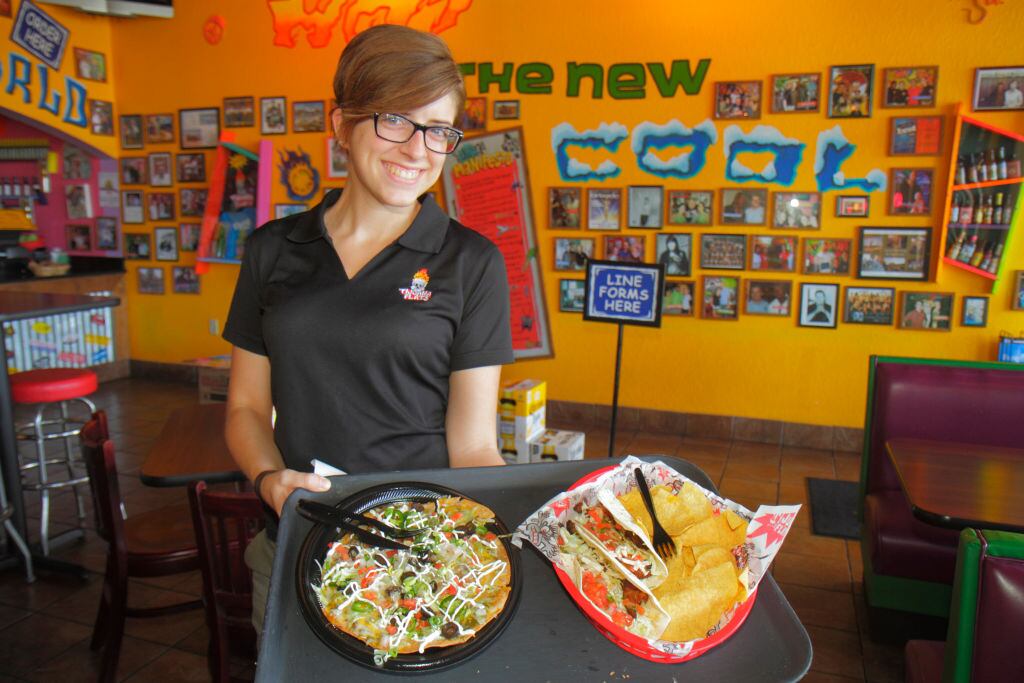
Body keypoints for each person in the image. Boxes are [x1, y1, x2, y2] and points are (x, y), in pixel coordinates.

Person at [223, 25, 514, 637]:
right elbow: (246, 407)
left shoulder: (471, 262)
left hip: (422, 560)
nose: (418, 149)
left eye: (438, 129)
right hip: (295, 543)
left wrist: (501, 539)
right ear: (342, 124)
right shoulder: (273, 250)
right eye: (396, 120)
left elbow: (473, 446)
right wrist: (270, 482)